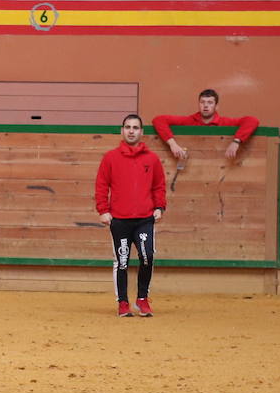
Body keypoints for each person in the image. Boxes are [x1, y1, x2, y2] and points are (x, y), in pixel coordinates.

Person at [95, 114, 166, 318]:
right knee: (122, 261)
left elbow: (159, 185)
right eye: (128, 127)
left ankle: (142, 299)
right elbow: (101, 185)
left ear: (142, 132)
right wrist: (103, 210)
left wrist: (159, 207)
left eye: (135, 127)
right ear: (122, 130)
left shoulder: (151, 159)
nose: (131, 130)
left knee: (147, 257)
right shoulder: (110, 158)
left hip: (145, 218)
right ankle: (123, 302)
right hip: (119, 219)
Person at [153, 88, 259, 161]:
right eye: (202, 102)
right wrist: (173, 144)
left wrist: (236, 142)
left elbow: (252, 120)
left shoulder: (225, 122)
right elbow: (158, 120)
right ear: (199, 104)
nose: (205, 106)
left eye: (210, 102)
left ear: (216, 106)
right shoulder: (189, 120)